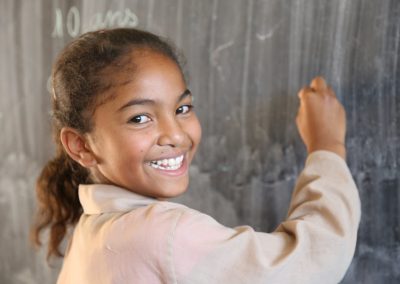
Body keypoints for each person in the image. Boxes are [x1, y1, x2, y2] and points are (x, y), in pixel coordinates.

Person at [31, 28, 361, 284]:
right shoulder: (160, 233)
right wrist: (327, 146)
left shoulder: (93, 233)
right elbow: (311, 264)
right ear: (81, 146)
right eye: (140, 118)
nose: (176, 134)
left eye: (182, 108)